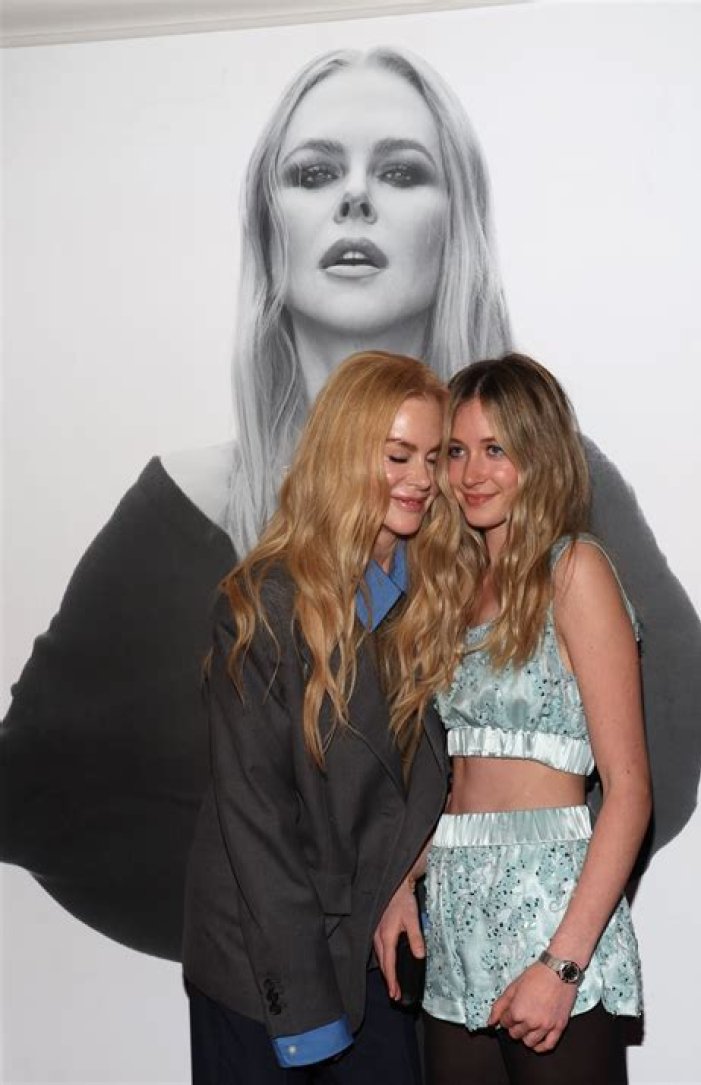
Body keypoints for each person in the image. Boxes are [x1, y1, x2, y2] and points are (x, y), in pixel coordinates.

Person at [1, 45, 701, 964]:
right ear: (269, 228)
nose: (355, 198)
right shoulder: (183, 506)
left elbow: (675, 717)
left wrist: (539, 914)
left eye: (402, 171)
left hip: (490, 960)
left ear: (458, 224)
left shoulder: (559, 483)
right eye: (314, 172)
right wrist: (280, 915)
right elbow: (35, 786)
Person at [182, 350, 463, 1083]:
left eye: (434, 457)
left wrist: (405, 879)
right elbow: (259, 828)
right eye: (398, 455)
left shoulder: (433, 597)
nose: (422, 479)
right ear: (343, 456)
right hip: (262, 961)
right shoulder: (262, 605)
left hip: (374, 942)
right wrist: (308, 1016)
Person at [376, 354, 651, 1085]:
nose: (471, 472)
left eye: (495, 448)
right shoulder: (452, 589)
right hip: (455, 912)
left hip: (551, 907)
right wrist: (404, 879)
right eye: (456, 451)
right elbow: (461, 786)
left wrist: (563, 963)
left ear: (539, 455)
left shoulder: (575, 570)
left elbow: (628, 791)